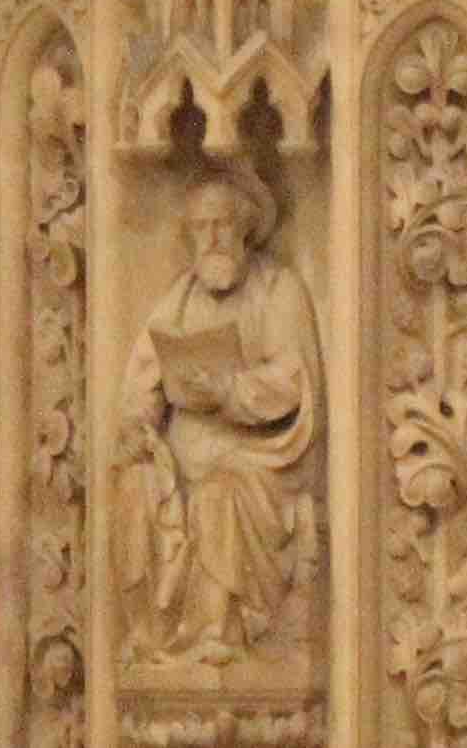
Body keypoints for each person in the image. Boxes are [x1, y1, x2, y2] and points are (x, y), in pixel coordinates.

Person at [109, 167, 327, 666]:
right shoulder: (179, 300)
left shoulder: (278, 290)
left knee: (218, 495)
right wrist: (140, 427)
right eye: (201, 227)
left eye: (223, 224)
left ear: (245, 228)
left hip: (261, 462)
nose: (212, 237)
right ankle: (152, 638)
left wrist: (230, 390)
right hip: (183, 461)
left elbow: (294, 382)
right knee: (136, 484)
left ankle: (216, 633)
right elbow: (144, 381)